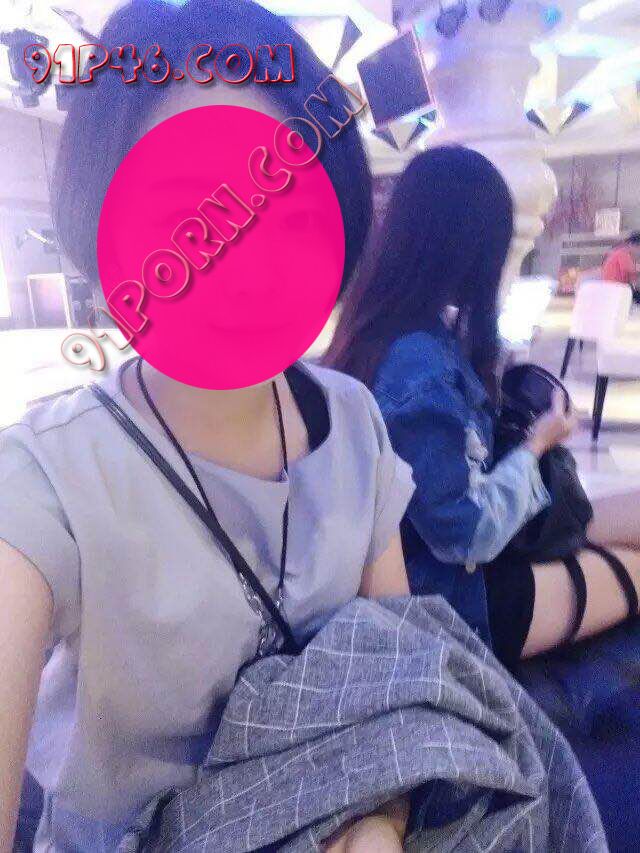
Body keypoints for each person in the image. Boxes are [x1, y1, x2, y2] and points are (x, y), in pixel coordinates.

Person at [0, 2, 417, 851]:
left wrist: (381, 821)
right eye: (192, 215)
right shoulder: (48, 480)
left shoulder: (353, 425)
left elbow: (401, 691)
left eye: (286, 215)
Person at [326, 146, 640, 668]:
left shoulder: (390, 330)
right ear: (475, 249)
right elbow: (465, 534)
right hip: (460, 599)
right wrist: (538, 442)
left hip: (460, 568)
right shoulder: (417, 361)